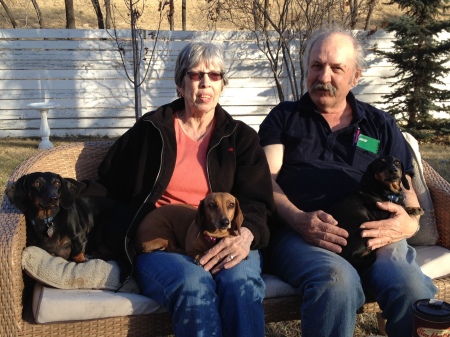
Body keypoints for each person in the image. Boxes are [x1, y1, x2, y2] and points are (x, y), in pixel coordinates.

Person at [258, 26, 437, 337]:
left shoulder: (378, 125)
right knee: (336, 283)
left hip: (377, 233)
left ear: (356, 76)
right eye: (316, 66)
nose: (323, 76)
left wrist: (409, 222)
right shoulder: (285, 118)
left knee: (409, 285)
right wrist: (299, 219)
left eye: (336, 68)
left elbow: (406, 184)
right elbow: (267, 179)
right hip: (303, 235)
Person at [96, 40, 275, 337]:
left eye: (214, 75)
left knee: (239, 282)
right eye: (195, 74)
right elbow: (109, 181)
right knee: (194, 283)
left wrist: (245, 235)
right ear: (180, 85)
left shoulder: (240, 138)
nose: (205, 82)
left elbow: (257, 201)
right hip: (165, 243)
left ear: (222, 85)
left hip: (228, 238)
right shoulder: (152, 130)